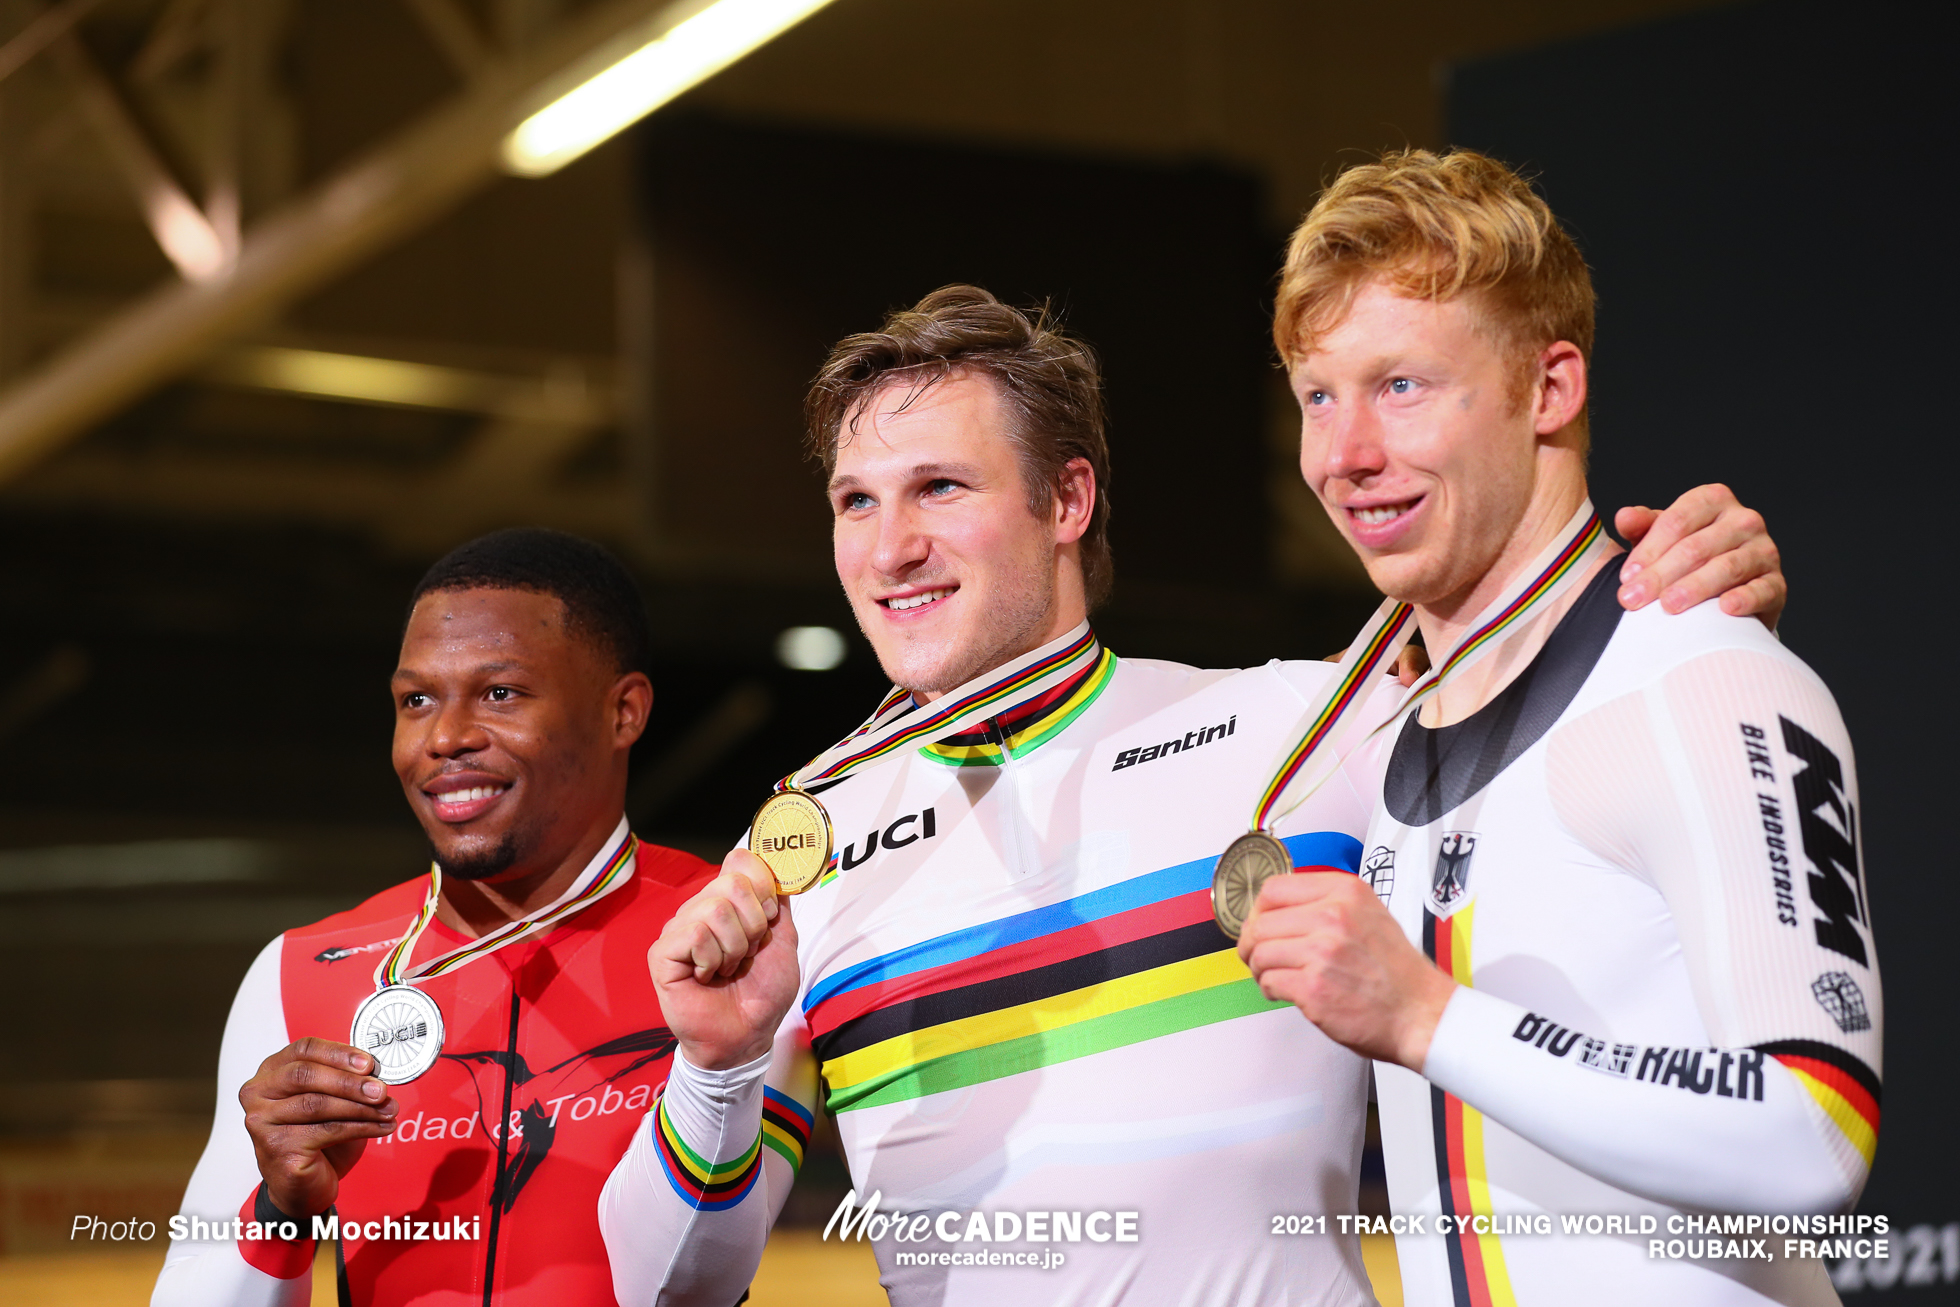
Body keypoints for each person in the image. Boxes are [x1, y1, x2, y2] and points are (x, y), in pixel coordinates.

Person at [597, 285, 1789, 1306]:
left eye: (940, 487)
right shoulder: (807, 843)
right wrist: (717, 1066)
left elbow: (1570, 693)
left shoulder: (1312, 725)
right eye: (856, 500)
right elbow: (666, 1282)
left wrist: (1694, 577)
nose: (888, 544)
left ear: (1066, 503)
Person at [1237, 150, 1878, 1306]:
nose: (1343, 455)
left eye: (1401, 386)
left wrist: (1425, 1014)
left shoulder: (1706, 674)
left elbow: (1814, 1127)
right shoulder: (1358, 718)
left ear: (1552, 387)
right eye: (1317, 396)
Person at [154, 530, 716, 1306]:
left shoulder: (731, 938)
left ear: (624, 711)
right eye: (416, 700)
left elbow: (704, 1276)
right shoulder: (299, 971)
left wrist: (728, 1064)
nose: (444, 737)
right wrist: (280, 1207)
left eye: (500, 693)